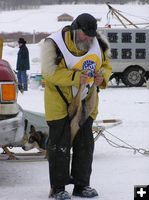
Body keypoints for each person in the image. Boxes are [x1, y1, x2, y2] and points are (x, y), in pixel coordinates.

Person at [41, 13, 112, 200]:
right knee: (60, 146)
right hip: (59, 103)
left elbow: (106, 65)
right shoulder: (54, 44)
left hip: (86, 102)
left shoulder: (99, 43)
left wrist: (102, 77)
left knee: (85, 145)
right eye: (84, 35)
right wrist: (74, 78)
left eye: (91, 35)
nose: (88, 39)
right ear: (74, 30)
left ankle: (81, 185)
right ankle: (58, 188)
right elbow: (49, 73)